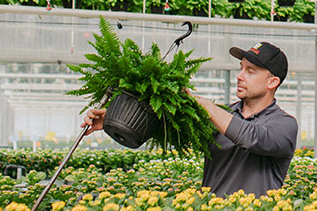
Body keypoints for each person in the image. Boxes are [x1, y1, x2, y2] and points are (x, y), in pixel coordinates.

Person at [82, 41, 298, 197]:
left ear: (272, 82)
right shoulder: (221, 115)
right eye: (240, 68)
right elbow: (174, 131)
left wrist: (205, 105)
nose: (240, 76)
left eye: (250, 71)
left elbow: (252, 138)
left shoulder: (284, 125)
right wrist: (116, 119)